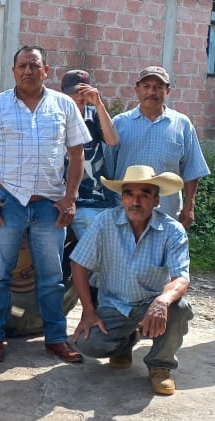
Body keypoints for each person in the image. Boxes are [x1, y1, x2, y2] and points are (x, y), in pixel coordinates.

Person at [0, 45, 90, 365]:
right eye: (22, 66)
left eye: (34, 66)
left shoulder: (63, 105)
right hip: (8, 202)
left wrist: (71, 197)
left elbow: (77, 155)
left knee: (51, 277)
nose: (28, 71)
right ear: (13, 71)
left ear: (46, 70)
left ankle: (55, 339)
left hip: (49, 206)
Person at [71, 166, 192, 396]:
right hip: (114, 305)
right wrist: (88, 310)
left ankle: (160, 366)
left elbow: (181, 279)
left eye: (144, 194)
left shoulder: (172, 230)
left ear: (156, 200)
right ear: (122, 198)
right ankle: (126, 343)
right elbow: (78, 263)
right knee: (87, 343)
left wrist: (162, 301)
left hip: (151, 306)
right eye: (129, 194)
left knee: (180, 307)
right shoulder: (105, 221)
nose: (135, 201)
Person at [107, 66, 209, 229]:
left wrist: (190, 206)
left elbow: (191, 168)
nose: (151, 92)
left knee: (164, 254)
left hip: (167, 213)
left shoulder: (181, 124)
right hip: (125, 211)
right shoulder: (120, 123)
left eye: (158, 87)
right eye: (146, 86)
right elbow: (108, 168)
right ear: (137, 89)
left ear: (167, 91)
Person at [60, 69, 120, 242]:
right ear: (64, 93)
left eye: (83, 91)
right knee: (96, 249)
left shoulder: (93, 115)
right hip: (75, 202)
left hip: (101, 199)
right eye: (73, 92)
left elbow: (113, 140)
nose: (79, 97)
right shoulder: (56, 118)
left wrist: (99, 104)